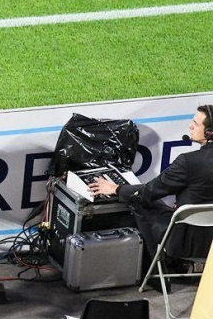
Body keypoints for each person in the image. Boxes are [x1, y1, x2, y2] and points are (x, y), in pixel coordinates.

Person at [88, 105, 213, 273]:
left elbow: (148, 193)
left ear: (209, 133)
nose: (190, 126)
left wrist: (116, 188)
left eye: (196, 123)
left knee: (140, 204)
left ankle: (157, 271)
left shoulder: (188, 162)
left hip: (187, 242)